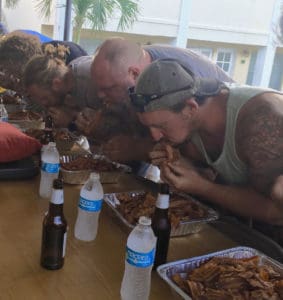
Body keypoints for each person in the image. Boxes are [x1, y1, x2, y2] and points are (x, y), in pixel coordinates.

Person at [130, 59, 283, 245]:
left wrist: (202, 186)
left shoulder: (261, 124)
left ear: (191, 107)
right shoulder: (191, 123)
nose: (155, 137)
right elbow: (218, 177)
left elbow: (275, 213)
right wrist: (186, 169)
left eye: (161, 126)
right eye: (150, 127)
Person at [88, 37, 234, 162]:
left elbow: (184, 141)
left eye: (109, 88)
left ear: (133, 74)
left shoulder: (176, 77)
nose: (100, 95)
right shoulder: (135, 66)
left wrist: (138, 149)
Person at [23, 55, 100, 128]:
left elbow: (106, 128)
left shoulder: (88, 81)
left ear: (56, 84)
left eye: (45, 98)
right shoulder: (69, 76)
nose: (44, 104)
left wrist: (70, 121)